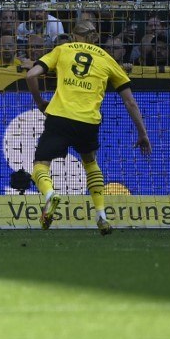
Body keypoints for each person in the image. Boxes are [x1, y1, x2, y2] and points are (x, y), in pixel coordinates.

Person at [25, 19, 151, 235]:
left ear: (74, 36)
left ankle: (49, 196)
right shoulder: (108, 59)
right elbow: (130, 101)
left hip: (60, 116)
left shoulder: (62, 49)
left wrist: (39, 102)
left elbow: (30, 75)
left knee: (41, 164)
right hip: (88, 122)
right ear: (95, 37)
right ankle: (101, 216)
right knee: (90, 162)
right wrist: (142, 133)